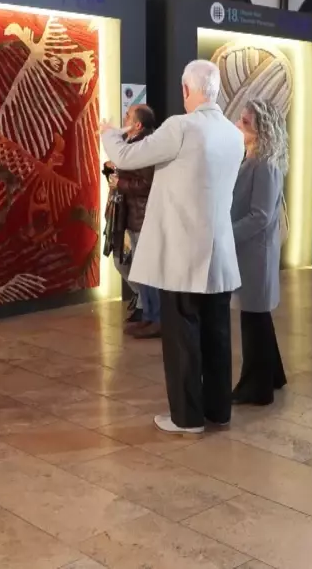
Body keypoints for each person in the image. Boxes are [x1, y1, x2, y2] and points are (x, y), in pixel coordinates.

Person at [100, 59, 245, 434]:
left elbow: (127, 157)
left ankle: (187, 417)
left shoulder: (181, 126)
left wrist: (109, 133)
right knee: (217, 336)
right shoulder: (232, 133)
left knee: (182, 337)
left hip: (183, 254)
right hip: (220, 253)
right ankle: (218, 411)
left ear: (186, 89)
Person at [229, 100, 288, 406]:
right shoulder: (255, 158)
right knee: (257, 316)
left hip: (255, 253)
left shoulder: (263, 163)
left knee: (254, 319)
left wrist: (227, 235)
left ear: (262, 129)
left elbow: (261, 215)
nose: (239, 125)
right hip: (252, 252)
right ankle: (273, 375)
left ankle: (256, 386)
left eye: (246, 122)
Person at [104, 104, 162, 338]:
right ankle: (147, 315)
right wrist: (113, 172)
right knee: (137, 268)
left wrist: (120, 183)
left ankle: (154, 317)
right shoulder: (132, 145)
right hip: (131, 216)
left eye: (128, 115)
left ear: (137, 124)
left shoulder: (145, 148)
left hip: (142, 217)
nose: (124, 117)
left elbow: (147, 185)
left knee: (145, 270)